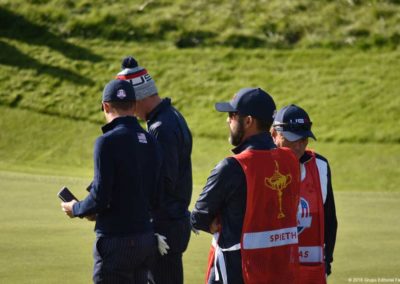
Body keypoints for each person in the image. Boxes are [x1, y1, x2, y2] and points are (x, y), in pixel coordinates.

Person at [191, 88, 301, 284]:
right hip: (280, 272)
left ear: (248, 121)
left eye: (232, 115)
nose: (228, 121)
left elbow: (199, 217)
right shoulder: (290, 160)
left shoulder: (232, 166)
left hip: (239, 272)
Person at [61, 79, 162, 284]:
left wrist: (77, 208)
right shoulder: (150, 140)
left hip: (116, 242)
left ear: (106, 106)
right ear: (134, 106)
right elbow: (154, 193)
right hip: (145, 239)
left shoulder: (106, 141)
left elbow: (100, 197)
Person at [116, 56, 193, 284]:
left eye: (129, 103)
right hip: (173, 221)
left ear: (140, 97)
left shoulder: (161, 127)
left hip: (165, 226)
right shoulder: (171, 116)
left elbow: (162, 182)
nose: (128, 110)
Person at [271, 104, 338, 283]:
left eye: (303, 139)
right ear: (274, 135)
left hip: (312, 270)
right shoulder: (258, 166)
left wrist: (327, 261)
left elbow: (329, 218)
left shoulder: (320, 165)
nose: (299, 146)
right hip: (269, 269)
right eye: (292, 139)